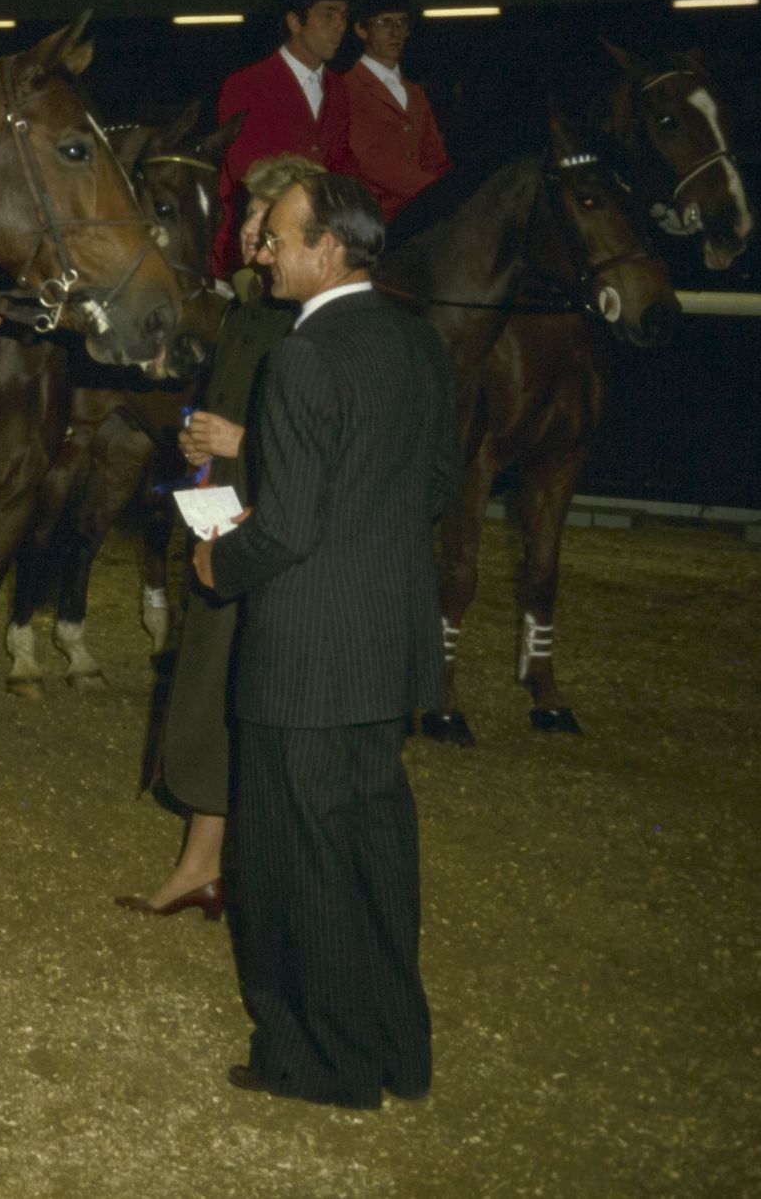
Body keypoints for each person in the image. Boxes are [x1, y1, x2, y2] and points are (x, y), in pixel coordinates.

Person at [194, 173, 457, 1109]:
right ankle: (396, 1049)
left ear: (332, 250)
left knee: (290, 866)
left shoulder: (301, 360)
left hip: (306, 654)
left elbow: (288, 530)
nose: (262, 250)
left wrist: (218, 562)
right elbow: (433, 483)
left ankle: (320, 1060)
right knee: (375, 853)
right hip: (386, 644)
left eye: (280, 238)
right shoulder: (416, 339)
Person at [114, 152, 326, 922]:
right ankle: (203, 863)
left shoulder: (312, 318)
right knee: (211, 679)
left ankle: (239, 869)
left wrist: (240, 440)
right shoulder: (248, 307)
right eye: (245, 220)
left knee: (244, 688)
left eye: (261, 223)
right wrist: (202, 440)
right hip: (221, 513)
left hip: (270, 526)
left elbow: (317, 439)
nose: (245, 235)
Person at [213, 0, 355, 276]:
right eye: (328, 15)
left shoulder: (340, 88)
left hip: (319, 241)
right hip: (255, 245)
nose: (340, 26)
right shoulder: (246, 84)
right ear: (294, 22)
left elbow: (343, 163)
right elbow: (249, 171)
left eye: (344, 16)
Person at [337, 0, 450, 220]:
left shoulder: (416, 92)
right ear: (361, 29)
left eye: (401, 23)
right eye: (384, 23)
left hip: (420, 212)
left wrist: (451, 190)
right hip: (371, 217)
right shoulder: (347, 87)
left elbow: (435, 157)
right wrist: (433, 190)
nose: (395, 32)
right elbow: (367, 159)